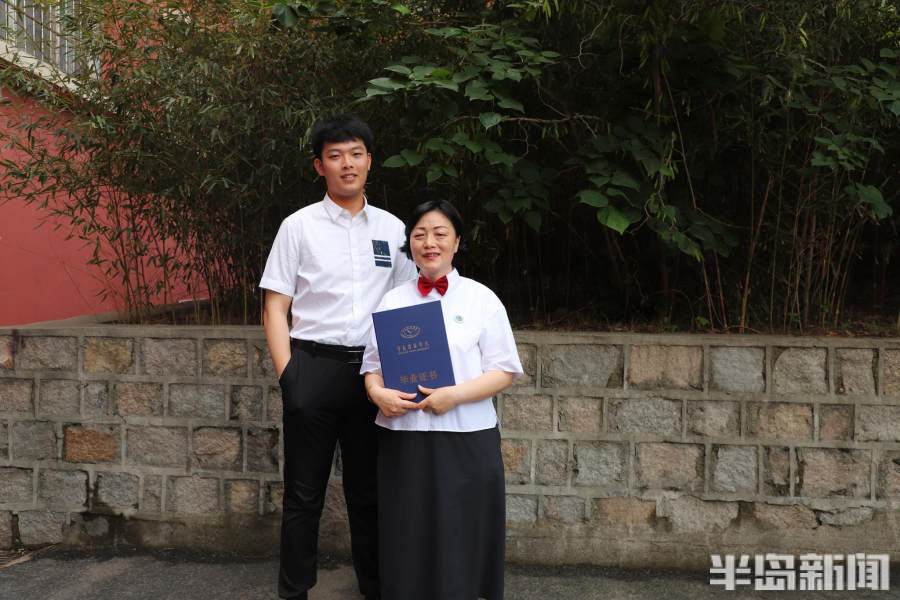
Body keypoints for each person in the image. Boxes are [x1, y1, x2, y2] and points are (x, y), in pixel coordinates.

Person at [259, 113, 417, 600]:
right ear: (319, 165)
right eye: (335, 155)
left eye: (355, 154)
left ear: (370, 161)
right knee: (303, 494)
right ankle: (294, 592)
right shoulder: (298, 226)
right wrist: (290, 376)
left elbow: (405, 305)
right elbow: (275, 305)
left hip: (374, 376)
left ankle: (376, 588)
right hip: (313, 368)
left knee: (370, 494)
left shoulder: (393, 229)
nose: (346, 164)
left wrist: (403, 376)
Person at [361, 199, 523, 600]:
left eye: (439, 234)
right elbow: (372, 366)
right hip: (404, 435)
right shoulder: (392, 300)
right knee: (407, 527)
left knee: (461, 527)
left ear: (457, 242)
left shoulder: (481, 299)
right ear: (410, 244)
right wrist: (377, 393)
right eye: (420, 235)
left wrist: (454, 396)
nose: (429, 243)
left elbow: (504, 370)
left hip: (466, 435)